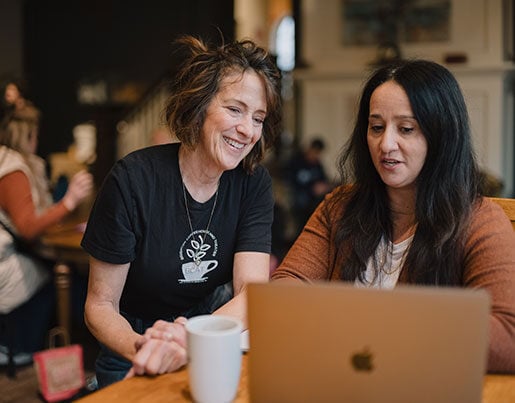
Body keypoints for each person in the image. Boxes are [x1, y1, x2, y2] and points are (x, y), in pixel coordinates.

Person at [271, 60, 515, 373]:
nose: (386, 144)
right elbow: (284, 290)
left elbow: (508, 337)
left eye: (406, 129)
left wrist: (379, 324)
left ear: (441, 135)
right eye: (376, 127)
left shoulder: (480, 222)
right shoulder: (339, 207)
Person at [81, 35, 282, 387]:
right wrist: (148, 347)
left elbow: (252, 294)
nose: (248, 130)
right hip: (133, 336)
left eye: (258, 117)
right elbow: (100, 306)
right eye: (235, 109)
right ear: (200, 104)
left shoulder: (253, 183)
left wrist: (191, 338)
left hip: (213, 326)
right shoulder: (132, 180)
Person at [0, 116, 93, 362]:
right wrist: (70, 200)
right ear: (29, 137)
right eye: (36, 136)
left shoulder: (15, 164)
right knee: (66, 276)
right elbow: (28, 227)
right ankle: (27, 346)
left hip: (14, 253)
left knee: (71, 274)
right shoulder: (13, 170)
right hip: (7, 262)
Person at [285, 137, 332, 236]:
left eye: (318, 153)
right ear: (310, 149)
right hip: (300, 195)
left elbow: (324, 181)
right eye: (315, 152)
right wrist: (311, 189)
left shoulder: (317, 164)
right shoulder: (296, 162)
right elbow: (290, 182)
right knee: (301, 201)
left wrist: (323, 187)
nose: (316, 156)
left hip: (315, 197)